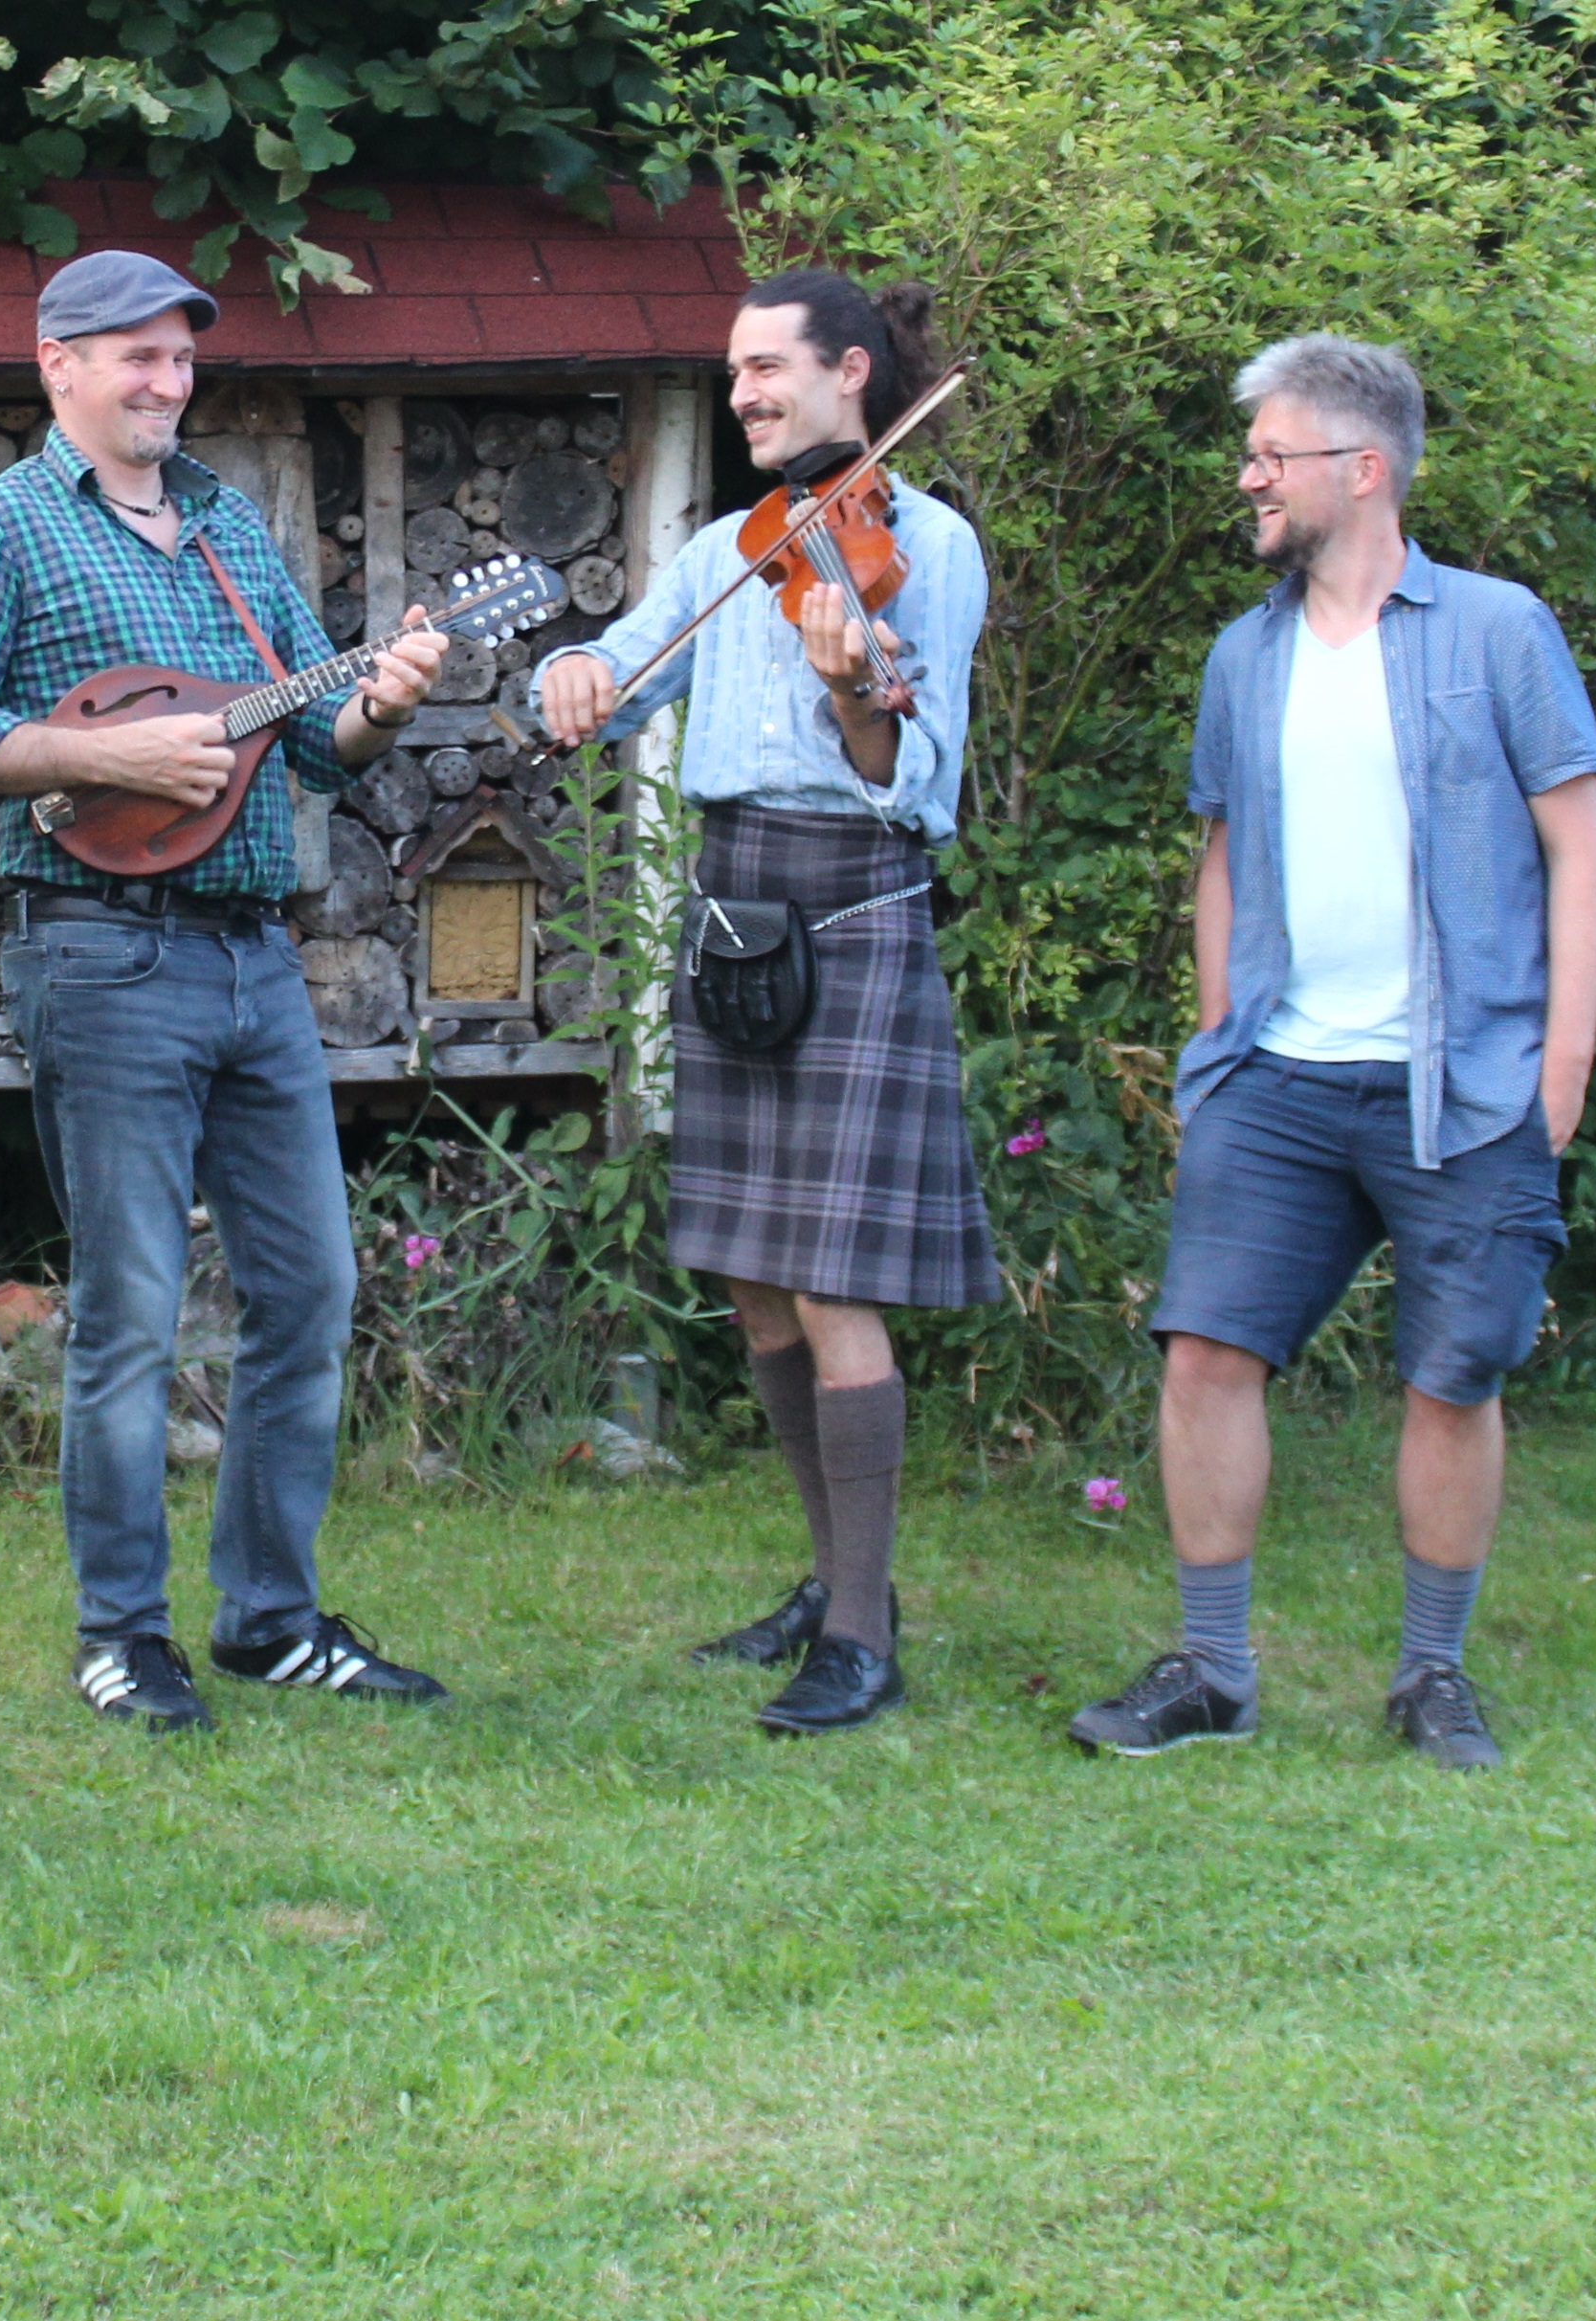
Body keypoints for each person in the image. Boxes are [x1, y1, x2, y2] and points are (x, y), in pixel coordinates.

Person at [0, 249, 451, 1733]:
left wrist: (378, 700)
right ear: (56, 362)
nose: (165, 380)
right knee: (132, 1306)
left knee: (312, 1285)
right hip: (103, 947)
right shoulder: (4, 529)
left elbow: (319, 744)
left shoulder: (224, 528)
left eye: (180, 356)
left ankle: (269, 1614)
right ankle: (120, 1629)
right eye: (133, 355)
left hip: (256, 953)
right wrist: (99, 758)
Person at [1066, 333, 1596, 1772]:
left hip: (1469, 1080)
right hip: (1279, 1077)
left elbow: (1577, 847)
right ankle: (1213, 1666)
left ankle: (1430, 1675)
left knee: (1453, 1376)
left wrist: (1559, 1065)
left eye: (1269, 452)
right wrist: (1211, 1043)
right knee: (1203, 1356)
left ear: (1359, 470)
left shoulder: (1498, 630)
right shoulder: (1239, 656)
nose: (1245, 475)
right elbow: (1223, 854)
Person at [540, 269, 996, 1738]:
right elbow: (621, 658)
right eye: (731, 374)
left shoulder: (925, 549)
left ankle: (861, 1637)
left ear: (850, 372)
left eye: (763, 369)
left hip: (852, 900)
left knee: (829, 1278)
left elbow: (911, 778)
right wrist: (572, 678)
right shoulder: (724, 546)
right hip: (733, 904)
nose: (740, 392)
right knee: (752, 1272)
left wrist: (856, 688)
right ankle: (827, 1580)